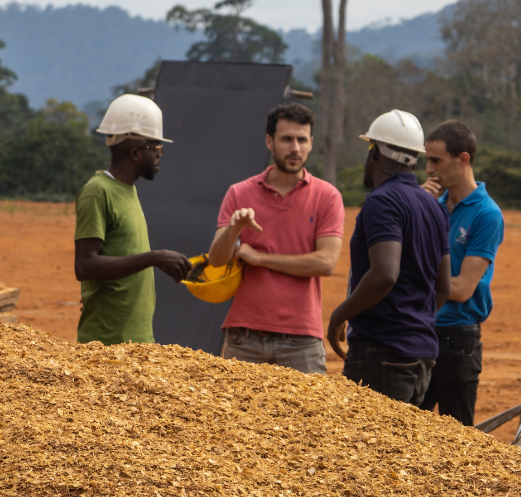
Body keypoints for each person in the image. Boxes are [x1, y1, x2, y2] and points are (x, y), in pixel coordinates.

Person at [206, 104, 344, 373]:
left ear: (311, 143)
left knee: (305, 417)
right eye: (286, 139)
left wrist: (259, 258)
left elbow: (326, 263)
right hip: (243, 337)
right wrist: (234, 228)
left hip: (301, 339)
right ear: (270, 141)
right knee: (234, 416)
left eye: (302, 140)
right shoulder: (239, 193)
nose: (295, 148)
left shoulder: (327, 197)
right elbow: (217, 259)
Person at [327, 109, 451, 405]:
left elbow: (385, 274)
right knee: (400, 450)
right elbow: (443, 286)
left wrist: (339, 316)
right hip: (422, 356)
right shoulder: (433, 207)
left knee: (369, 448)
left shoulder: (381, 201)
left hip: (381, 352)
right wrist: (412, 322)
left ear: (376, 154)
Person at [73, 94, 194, 346]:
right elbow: (84, 265)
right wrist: (154, 258)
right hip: (106, 344)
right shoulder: (98, 191)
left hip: (137, 342)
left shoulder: (128, 190)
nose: (160, 155)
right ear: (137, 153)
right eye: (157, 148)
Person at [417, 120, 504, 426]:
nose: (428, 169)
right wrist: (416, 209)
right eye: (427, 160)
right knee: (405, 430)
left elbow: (462, 288)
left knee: (459, 440)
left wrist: (408, 281)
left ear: (463, 159)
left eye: (435, 160)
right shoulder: (430, 206)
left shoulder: (486, 214)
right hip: (421, 331)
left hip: (458, 340)